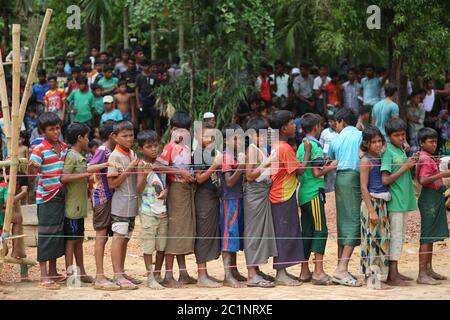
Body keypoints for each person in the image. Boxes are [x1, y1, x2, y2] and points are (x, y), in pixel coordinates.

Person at [268, 110, 310, 286]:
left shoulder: (277, 145)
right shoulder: (285, 148)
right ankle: (280, 273)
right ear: (284, 128)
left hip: (280, 193)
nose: (295, 126)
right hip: (283, 195)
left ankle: (283, 271)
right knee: (284, 233)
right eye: (292, 123)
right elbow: (299, 171)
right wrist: (307, 152)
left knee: (285, 232)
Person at [156, 111, 197, 287]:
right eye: (179, 129)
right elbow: (158, 166)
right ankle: (168, 275)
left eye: (186, 129)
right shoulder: (170, 147)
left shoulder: (188, 148)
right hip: (176, 192)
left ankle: (183, 273)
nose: (183, 133)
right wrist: (180, 172)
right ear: (172, 129)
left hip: (186, 190)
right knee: (175, 232)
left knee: (181, 231)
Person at [28, 112, 68, 289]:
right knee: (46, 235)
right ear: (43, 132)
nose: (56, 132)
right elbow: (31, 172)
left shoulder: (64, 146)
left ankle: (53, 272)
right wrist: (31, 166)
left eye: (58, 128)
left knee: (57, 234)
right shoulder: (39, 149)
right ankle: (43, 275)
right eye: (51, 129)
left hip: (60, 195)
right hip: (46, 197)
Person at [297, 113, 337, 285]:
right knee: (321, 230)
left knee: (307, 232)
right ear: (315, 128)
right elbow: (316, 172)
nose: (321, 129)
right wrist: (332, 166)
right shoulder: (315, 146)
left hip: (304, 193)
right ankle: (318, 272)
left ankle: (304, 271)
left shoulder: (302, 146)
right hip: (314, 193)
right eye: (320, 126)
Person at [327, 108, 362, 287]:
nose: (335, 126)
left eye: (336, 123)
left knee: (344, 221)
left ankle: (341, 266)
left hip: (340, 179)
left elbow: (332, 157)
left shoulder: (336, 139)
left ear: (341, 121)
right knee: (354, 221)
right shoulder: (360, 136)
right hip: (354, 177)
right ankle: (341, 269)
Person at [380, 118, 417, 286]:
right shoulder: (388, 151)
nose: (401, 138)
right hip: (395, 201)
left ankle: (395, 271)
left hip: (403, 199)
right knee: (395, 237)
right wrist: (406, 167)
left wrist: (409, 160)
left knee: (400, 236)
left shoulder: (400, 149)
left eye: (403, 135)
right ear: (389, 136)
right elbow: (385, 179)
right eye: (397, 135)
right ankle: (391, 276)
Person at [243, 117, 278, 288]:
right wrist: (268, 163)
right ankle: (251, 274)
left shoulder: (259, 148)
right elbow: (249, 176)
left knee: (258, 231)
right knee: (253, 232)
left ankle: (255, 270)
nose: (263, 137)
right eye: (259, 134)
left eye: (264, 133)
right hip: (255, 193)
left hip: (262, 192)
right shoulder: (252, 149)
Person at [107, 120, 141, 290]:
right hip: (120, 204)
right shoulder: (115, 156)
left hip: (131, 203)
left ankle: (121, 271)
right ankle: (117, 275)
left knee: (125, 239)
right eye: (124, 136)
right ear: (115, 137)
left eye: (131, 135)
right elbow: (112, 184)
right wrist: (129, 169)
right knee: (118, 238)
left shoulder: (132, 153)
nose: (129, 139)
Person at [61, 123, 96, 285]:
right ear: (80, 138)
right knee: (71, 241)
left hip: (79, 206)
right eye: (87, 137)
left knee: (79, 239)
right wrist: (84, 174)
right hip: (72, 207)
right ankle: (70, 274)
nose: (88, 140)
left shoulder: (78, 156)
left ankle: (81, 272)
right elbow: (64, 178)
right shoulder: (71, 156)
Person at [415, 127, 449, 285]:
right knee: (427, 237)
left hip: (434, 197)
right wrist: (442, 175)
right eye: (430, 141)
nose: (434, 144)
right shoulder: (425, 158)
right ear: (422, 143)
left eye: (435, 141)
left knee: (431, 237)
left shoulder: (428, 156)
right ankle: (422, 273)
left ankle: (428, 269)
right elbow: (422, 180)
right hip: (428, 199)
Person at [359, 125, 391, 290]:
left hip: (381, 203)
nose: (378, 144)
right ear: (366, 143)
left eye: (380, 141)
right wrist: (371, 210)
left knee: (380, 240)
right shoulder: (366, 160)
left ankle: (375, 278)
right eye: (374, 142)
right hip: (371, 203)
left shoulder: (379, 157)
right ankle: (373, 280)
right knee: (372, 242)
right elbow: (363, 187)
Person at [136, 130, 168, 290]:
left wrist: (166, 191)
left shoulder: (161, 164)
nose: (154, 149)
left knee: (162, 246)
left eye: (156, 145)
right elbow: (138, 189)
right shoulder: (141, 164)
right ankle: (150, 277)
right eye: (149, 146)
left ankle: (157, 273)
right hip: (148, 213)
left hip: (163, 211)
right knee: (148, 245)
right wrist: (144, 174)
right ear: (141, 149)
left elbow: (165, 183)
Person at [192, 122, 223, 288]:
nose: (210, 138)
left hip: (213, 197)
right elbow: (199, 179)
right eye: (205, 136)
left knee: (210, 233)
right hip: (203, 198)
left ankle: (205, 273)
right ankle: (201, 275)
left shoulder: (211, 152)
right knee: (203, 235)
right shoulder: (198, 153)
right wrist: (215, 165)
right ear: (197, 137)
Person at [218, 123, 247, 288]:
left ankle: (234, 271)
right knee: (229, 236)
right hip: (230, 199)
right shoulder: (227, 156)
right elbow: (228, 182)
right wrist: (241, 168)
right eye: (235, 138)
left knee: (234, 235)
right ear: (226, 140)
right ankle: (228, 275)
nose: (239, 141)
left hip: (237, 198)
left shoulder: (235, 154)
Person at [136, 59, 159, 131]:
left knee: (156, 118)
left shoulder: (154, 76)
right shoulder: (139, 77)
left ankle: (158, 137)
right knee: (143, 118)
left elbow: (157, 88)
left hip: (153, 100)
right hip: (143, 99)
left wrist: (158, 101)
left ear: (149, 66)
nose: (146, 67)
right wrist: (138, 102)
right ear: (142, 67)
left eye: (147, 66)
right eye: (144, 66)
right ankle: (145, 137)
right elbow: (136, 89)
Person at [320, 114, 339, 192]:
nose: (330, 123)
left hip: (336, 158)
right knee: (328, 176)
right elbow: (321, 144)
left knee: (336, 176)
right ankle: (329, 191)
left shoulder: (339, 132)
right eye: (329, 121)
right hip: (326, 158)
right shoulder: (325, 132)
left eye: (332, 121)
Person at [407, 89, 426, 154]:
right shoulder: (407, 106)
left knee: (420, 149)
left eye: (419, 98)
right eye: (416, 98)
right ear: (412, 98)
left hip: (420, 131)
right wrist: (415, 119)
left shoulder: (421, 107)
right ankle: (412, 163)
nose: (418, 100)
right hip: (412, 132)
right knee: (413, 150)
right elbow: (418, 120)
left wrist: (410, 117)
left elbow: (421, 121)